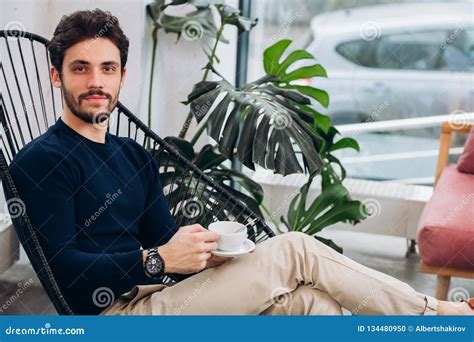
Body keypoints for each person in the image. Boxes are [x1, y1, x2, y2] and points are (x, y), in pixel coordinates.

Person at [9, 9, 473, 316]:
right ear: (56, 75)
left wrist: (205, 254)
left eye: (107, 68)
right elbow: (65, 271)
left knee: (309, 303)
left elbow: (165, 241)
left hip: (164, 294)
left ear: (122, 76)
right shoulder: (41, 162)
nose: (96, 81)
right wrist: (155, 261)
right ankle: (441, 319)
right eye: (80, 68)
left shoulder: (132, 155)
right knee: (296, 250)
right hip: (113, 316)